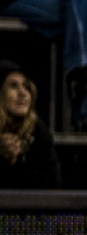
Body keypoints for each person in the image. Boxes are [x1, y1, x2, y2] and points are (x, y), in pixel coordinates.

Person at [0, 59, 61, 188]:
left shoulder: (37, 130)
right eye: (13, 86)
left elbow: (53, 185)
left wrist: (17, 160)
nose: (23, 93)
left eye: (26, 86)